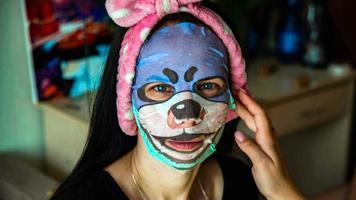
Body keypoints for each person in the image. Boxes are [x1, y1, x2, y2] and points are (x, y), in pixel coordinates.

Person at [50, 0, 306, 199]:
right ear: (127, 101)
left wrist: (281, 192)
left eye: (207, 86)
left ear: (232, 100)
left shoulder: (240, 181)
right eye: (160, 88)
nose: (187, 115)